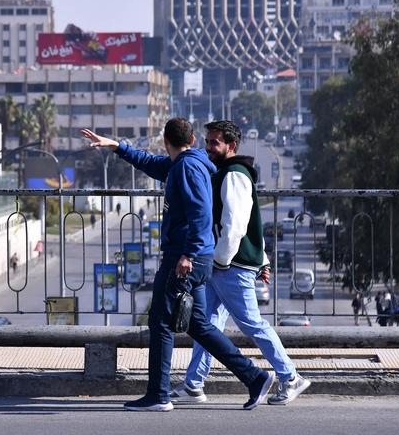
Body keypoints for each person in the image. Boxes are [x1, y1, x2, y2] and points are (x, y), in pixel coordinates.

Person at [81, 119, 274, 412]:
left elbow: (200, 215)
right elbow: (149, 162)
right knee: (198, 325)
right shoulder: (185, 162)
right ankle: (254, 377)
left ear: (164, 140)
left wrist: (188, 255)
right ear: (194, 139)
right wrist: (116, 146)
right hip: (195, 257)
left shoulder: (185, 167)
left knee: (159, 322)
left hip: (184, 258)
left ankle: (158, 395)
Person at [170, 120, 310, 407]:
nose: (208, 147)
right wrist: (261, 259)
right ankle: (194, 384)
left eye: (214, 143)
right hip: (224, 264)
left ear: (231, 145)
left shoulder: (234, 175)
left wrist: (220, 261)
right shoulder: (224, 173)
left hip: (229, 266)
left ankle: (291, 377)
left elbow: (235, 226)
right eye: (207, 141)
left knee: (252, 324)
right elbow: (250, 226)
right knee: (206, 323)